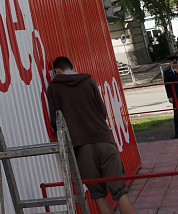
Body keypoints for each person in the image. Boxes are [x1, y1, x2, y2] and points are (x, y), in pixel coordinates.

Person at [46, 57, 135, 214]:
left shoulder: (54, 88)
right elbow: (102, 111)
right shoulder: (88, 81)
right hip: (103, 139)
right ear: (71, 67)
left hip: (81, 147)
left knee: (98, 195)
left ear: (57, 71)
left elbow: (55, 122)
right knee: (120, 192)